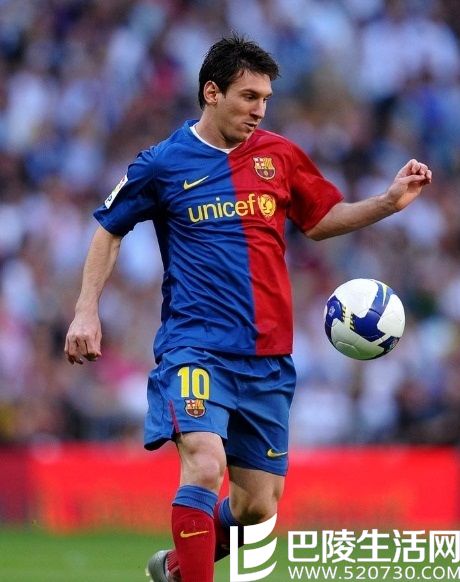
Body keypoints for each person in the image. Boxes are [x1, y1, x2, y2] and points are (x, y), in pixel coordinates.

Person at [64, 34, 432, 582]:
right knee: (204, 463)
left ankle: (177, 567)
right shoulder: (162, 163)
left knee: (257, 509)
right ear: (212, 92)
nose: (259, 109)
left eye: (265, 99)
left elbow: (319, 219)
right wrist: (85, 310)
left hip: (267, 358)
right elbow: (108, 230)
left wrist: (387, 202)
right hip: (196, 348)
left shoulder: (279, 156)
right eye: (248, 96)